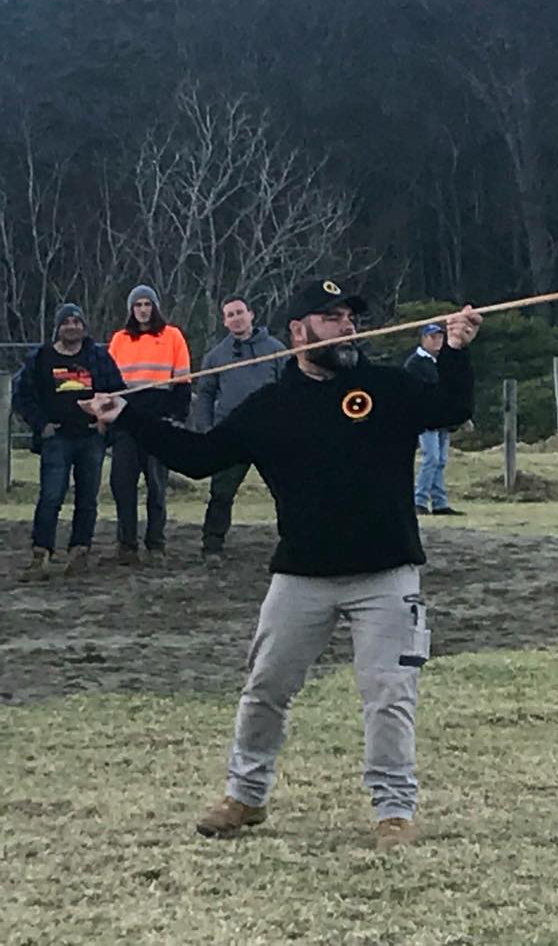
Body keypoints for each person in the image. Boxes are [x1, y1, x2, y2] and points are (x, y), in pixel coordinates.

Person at [82, 278, 481, 851]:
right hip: (299, 579)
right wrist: (127, 416)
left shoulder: (385, 387)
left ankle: (394, 810)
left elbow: (453, 406)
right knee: (265, 688)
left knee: (390, 695)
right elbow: (199, 458)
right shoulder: (269, 407)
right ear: (299, 332)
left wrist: (459, 351)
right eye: (332, 317)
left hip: (387, 575)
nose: (347, 326)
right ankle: (245, 797)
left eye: (351, 317)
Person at [12, 303, 125, 581]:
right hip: (57, 439)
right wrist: (42, 425)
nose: (72, 326)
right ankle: (41, 553)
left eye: (77, 322)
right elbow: (22, 396)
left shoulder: (98, 357)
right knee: (51, 497)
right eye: (66, 322)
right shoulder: (41, 358)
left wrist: (103, 422)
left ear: (84, 327)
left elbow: (117, 391)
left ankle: (79, 552)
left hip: (91, 438)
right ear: (58, 328)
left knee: (87, 499)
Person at [197, 294, 286, 565]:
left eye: (240, 312)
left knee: (285, 490)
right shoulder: (216, 356)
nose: (236, 318)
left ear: (251, 314)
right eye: (230, 315)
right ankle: (212, 545)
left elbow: (290, 389)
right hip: (231, 434)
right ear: (225, 322)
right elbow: (205, 394)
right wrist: (207, 428)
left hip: (270, 434)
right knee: (221, 493)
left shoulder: (276, 349)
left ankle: (294, 540)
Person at [107, 285, 191, 564]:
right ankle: (126, 544)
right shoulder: (119, 339)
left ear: (155, 307)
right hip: (127, 422)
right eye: (138, 305)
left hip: (158, 422)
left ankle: (156, 544)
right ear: (131, 309)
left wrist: (175, 417)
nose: (143, 310)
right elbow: (111, 384)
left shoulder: (172, 336)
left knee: (156, 487)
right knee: (123, 485)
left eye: (147, 304)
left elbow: (182, 382)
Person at [404, 323, 466, 516]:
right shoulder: (415, 363)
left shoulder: (441, 362)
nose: (438, 341)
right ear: (423, 339)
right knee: (431, 458)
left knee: (440, 460)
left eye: (440, 337)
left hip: (442, 421)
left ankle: (439, 503)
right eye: (433, 337)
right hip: (425, 419)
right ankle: (419, 500)